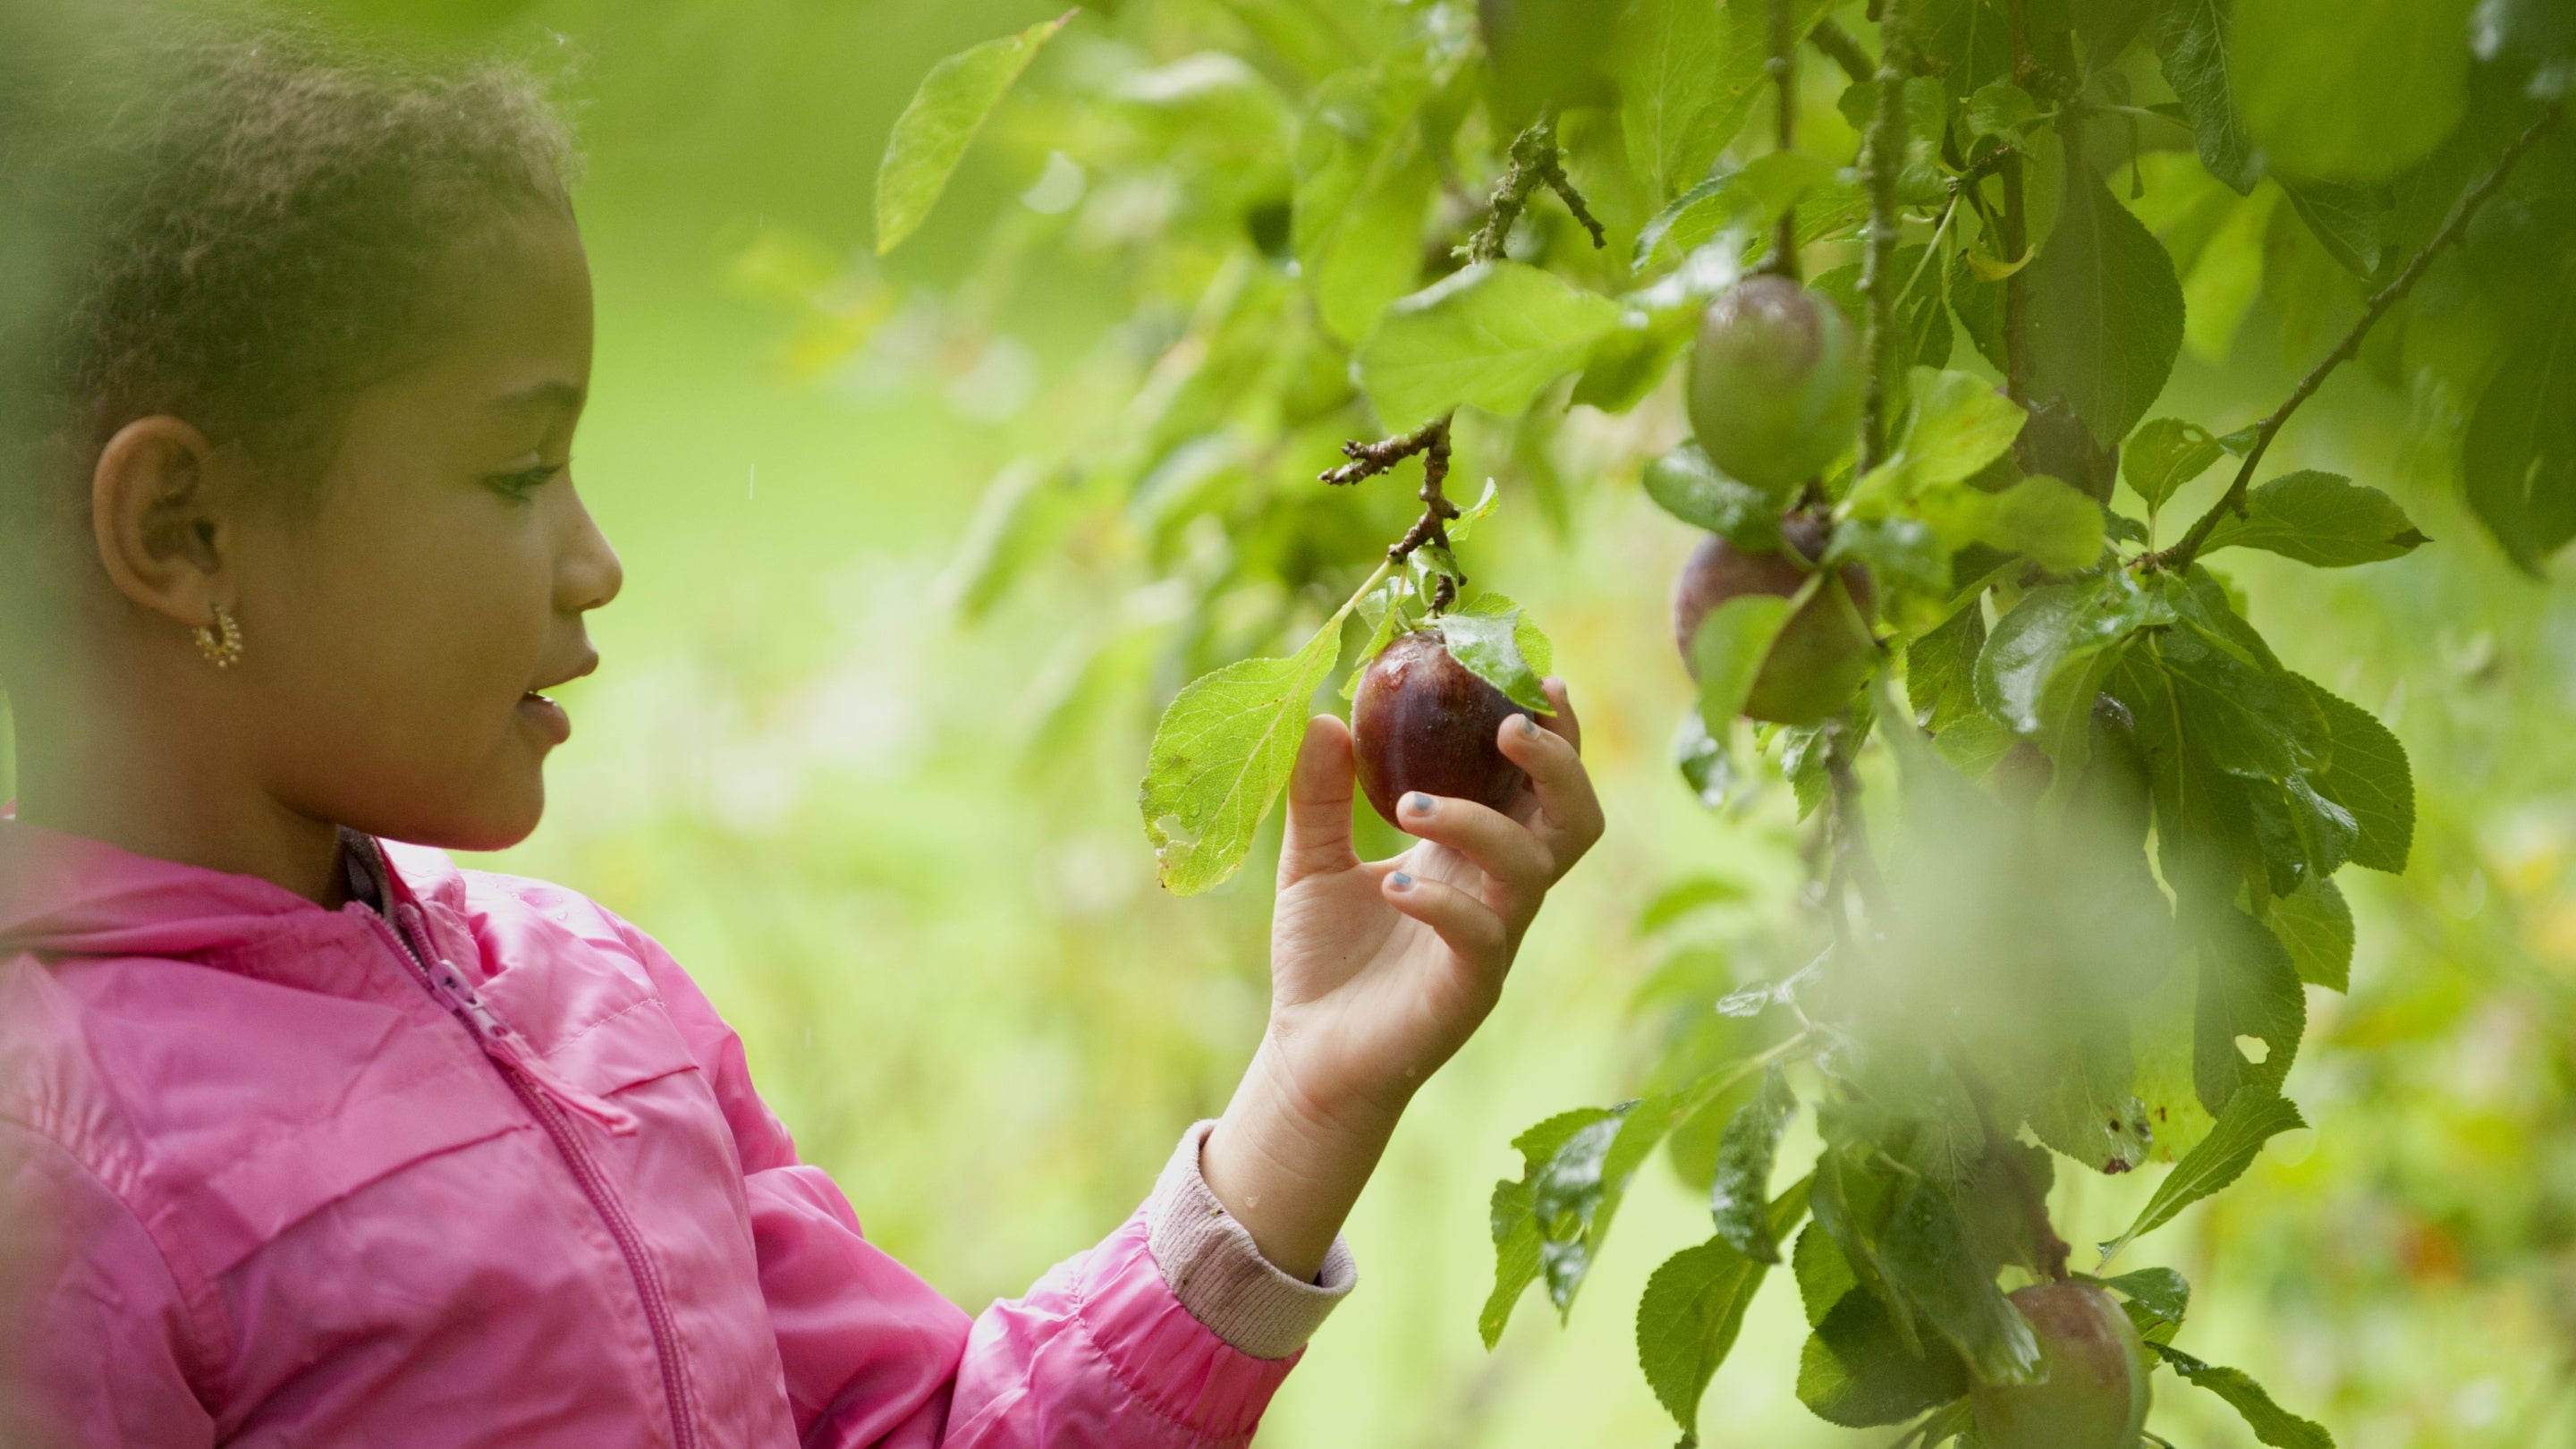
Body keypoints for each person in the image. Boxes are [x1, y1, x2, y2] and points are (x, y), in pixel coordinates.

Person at [0, 17, 1605, 1448]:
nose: (594, 560)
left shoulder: (590, 1002)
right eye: (513, 475)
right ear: (184, 528)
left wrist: (1311, 1092)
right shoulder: (56, 1164)